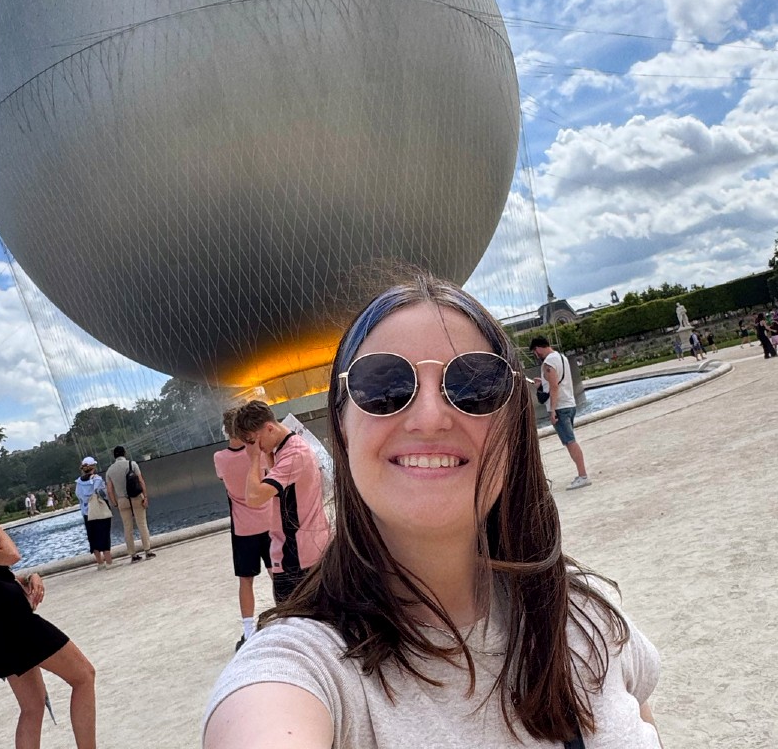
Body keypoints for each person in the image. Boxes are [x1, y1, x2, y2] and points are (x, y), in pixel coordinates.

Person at [203, 275, 662, 748]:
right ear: (340, 426)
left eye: (474, 384)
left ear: (514, 425)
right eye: (382, 385)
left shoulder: (589, 621)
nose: (429, 417)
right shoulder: (301, 668)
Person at [0, 477, 97, 749]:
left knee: (32, 707)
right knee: (84, 676)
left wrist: (30, 578)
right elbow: (11, 555)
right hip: (12, 627)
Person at [233, 400, 330, 603]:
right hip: (302, 551)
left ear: (269, 428)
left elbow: (254, 497)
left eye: (252, 442)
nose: (253, 448)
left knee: (293, 620)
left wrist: (253, 460)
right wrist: (266, 453)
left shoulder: (294, 454)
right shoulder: (285, 449)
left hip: (297, 556)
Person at [213, 407, 273, 650]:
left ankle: (248, 631)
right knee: (276, 572)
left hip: (243, 527)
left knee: (245, 580)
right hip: (269, 520)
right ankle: (291, 619)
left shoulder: (219, 458)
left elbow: (223, 481)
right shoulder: (257, 454)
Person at [529, 336, 591, 490]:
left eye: (535, 352)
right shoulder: (561, 358)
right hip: (569, 404)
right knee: (570, 440)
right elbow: (556, 384)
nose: (536, 356)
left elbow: (554, 387)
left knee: (570, 441)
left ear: (537, 348)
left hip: (560, 407)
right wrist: (543, 383)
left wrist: (553, 410)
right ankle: (581, 474)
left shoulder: (548, 363)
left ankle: (583, 475)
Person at [105, 446, 155, 562]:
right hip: (136, 497)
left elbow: (109, 489)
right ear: (124, 453)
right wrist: (145, 497)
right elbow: (141, 481)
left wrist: (115, 503)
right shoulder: (132, 464)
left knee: (127, 528)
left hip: (122, 499)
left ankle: (133, 555)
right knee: (142, 524)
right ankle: (147, 550)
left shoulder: (110, 470)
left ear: (114, 456)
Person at [74, 458, 114, 570]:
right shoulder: (97, 479)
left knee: (92, 536)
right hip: (99, 510)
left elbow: (78, 496)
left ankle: (99, 562)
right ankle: (109, 561)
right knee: (104, 534)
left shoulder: (78, 482)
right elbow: (103, 493)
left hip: (87, 513)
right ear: (93, 467)